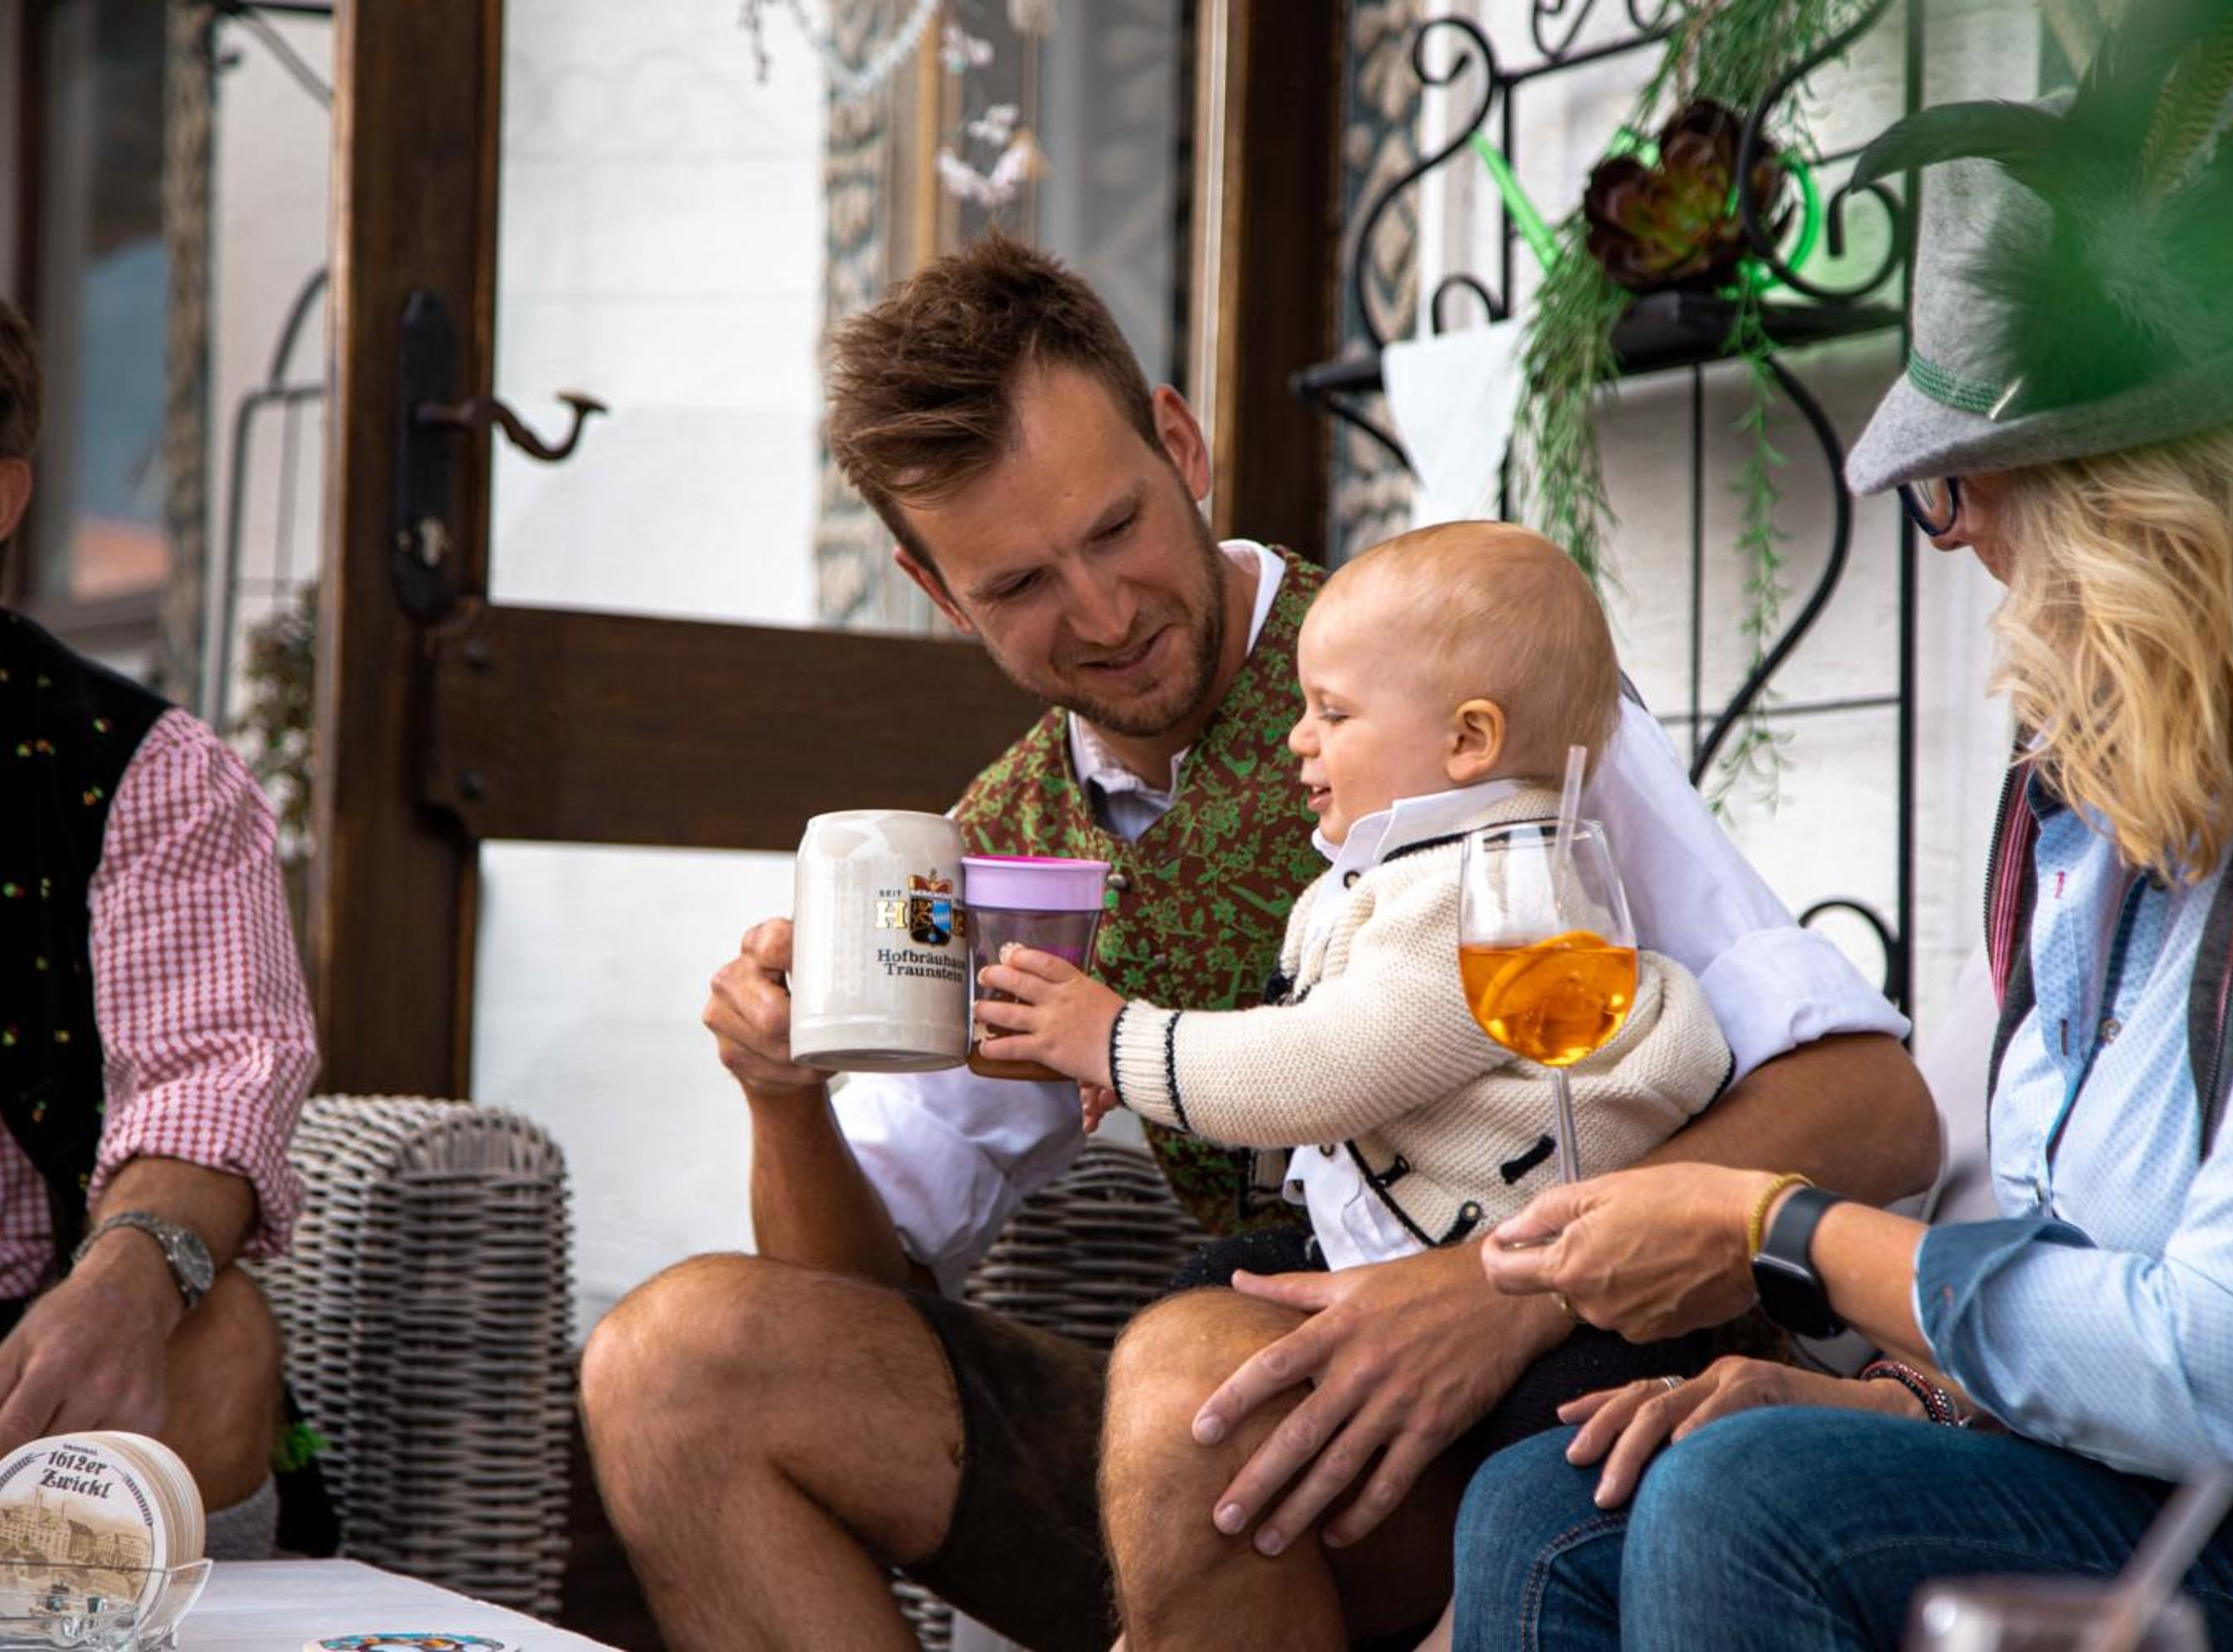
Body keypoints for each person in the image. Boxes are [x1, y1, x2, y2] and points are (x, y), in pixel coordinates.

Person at [578, 234, 1937, 1652]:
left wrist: (1495, 1294)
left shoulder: (1450, 685)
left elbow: (1874, 1109)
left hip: (1569, 1418)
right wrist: (781, 1094)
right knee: (676, 1365)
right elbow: (857, 1306)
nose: (1102, 613)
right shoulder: (1008, 842)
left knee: (1190, 1378)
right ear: (939, 594)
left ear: (1182, 443)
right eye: (1021, 585)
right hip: (1245, 1443)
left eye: (1116, 529)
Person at [1451, 15, 2233, 1647]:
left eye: (1960, 486)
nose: (1953, 541)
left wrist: (1778, 1231)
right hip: (2157, 1485)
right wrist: (1904, 1398)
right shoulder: (2094, 808)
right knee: (1552, 1504)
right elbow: (2080, 1250)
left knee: (1749, 1504)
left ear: (2137, 508)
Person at [0, 244, 316, 1545]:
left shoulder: (140, 771)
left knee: (217, 1338)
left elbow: (212, 1072)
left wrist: (130, 1278)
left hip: (29, 1375)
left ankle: (59, 1587)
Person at [980, 520, 1733, 1261]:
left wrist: (1117, 1042)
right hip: (1430, 1240)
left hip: (1508, 1269)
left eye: (1333, 713)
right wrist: (1138, 1075)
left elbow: (1318, 1071)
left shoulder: (1479, 894)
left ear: (1469, 740)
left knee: (1217, 1281)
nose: (1298, 737)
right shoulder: (1410, 866)